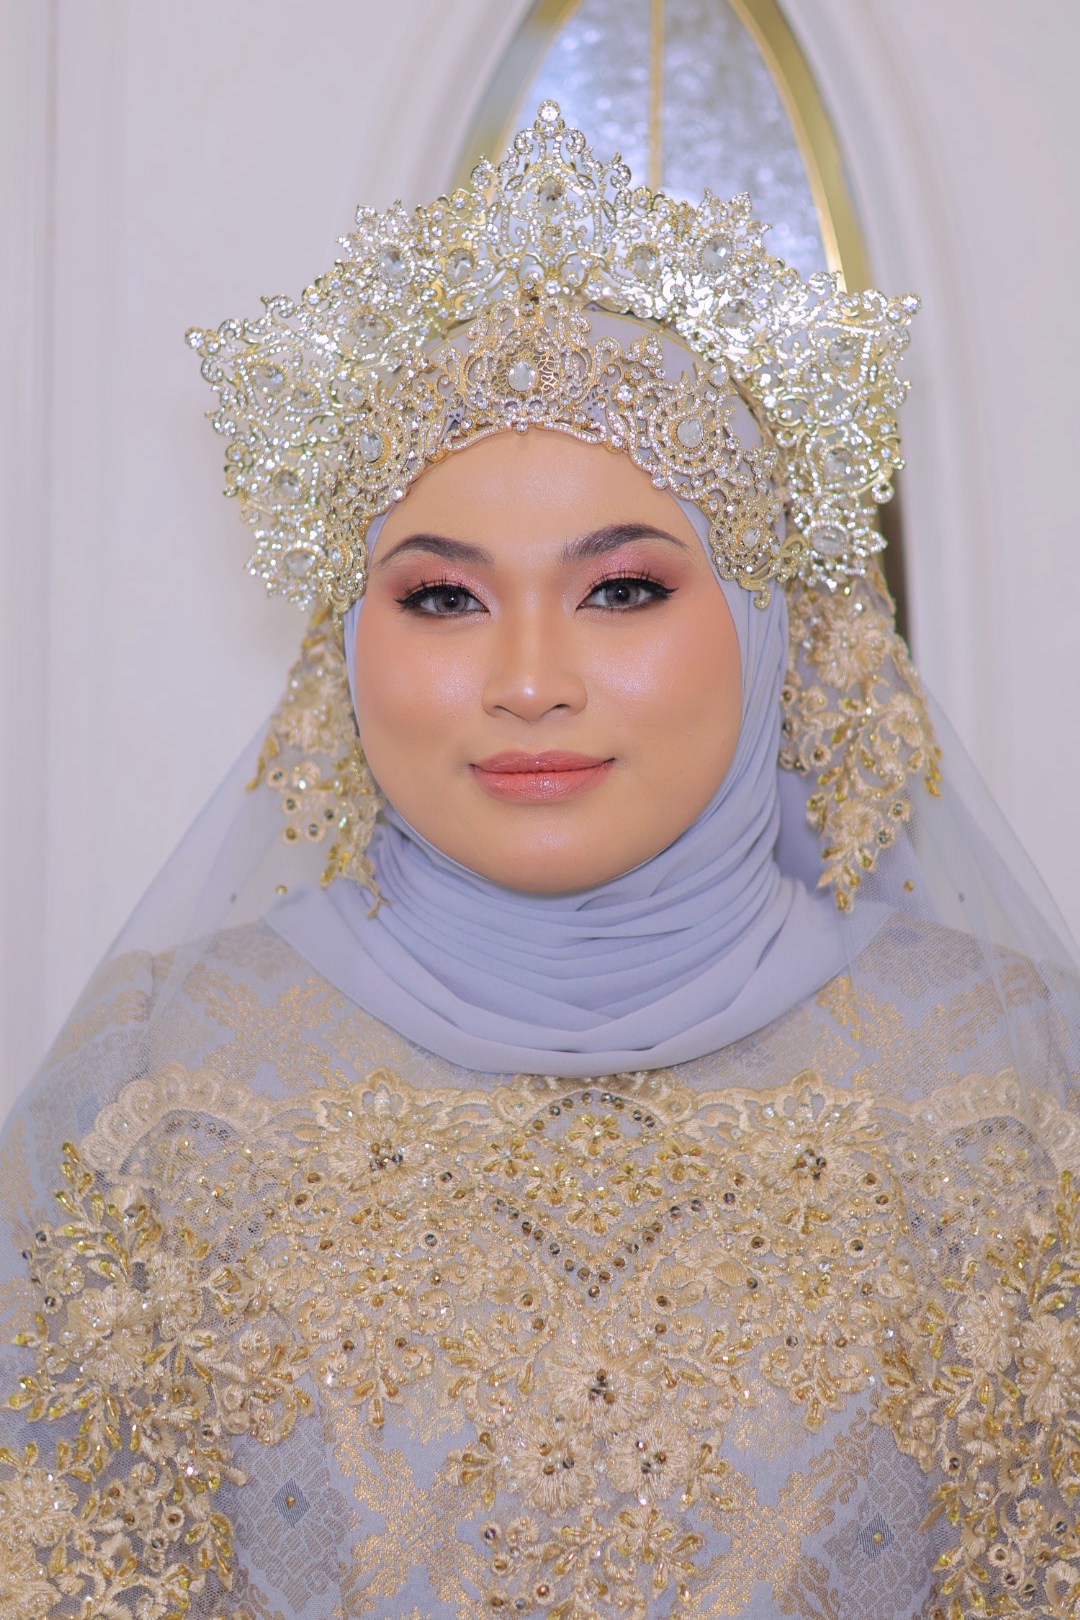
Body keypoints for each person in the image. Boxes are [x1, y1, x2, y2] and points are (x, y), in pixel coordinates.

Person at [1, 103, 1078, 1620]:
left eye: (621, 589)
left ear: (770, 624)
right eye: (442, 600)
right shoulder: (156, 1085)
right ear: (348, 642)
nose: (527, 682)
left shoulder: (1008, 1083)